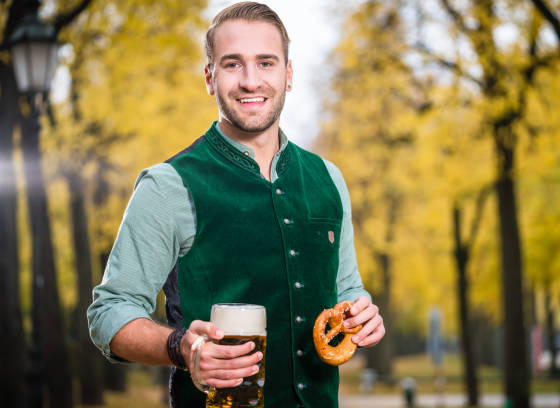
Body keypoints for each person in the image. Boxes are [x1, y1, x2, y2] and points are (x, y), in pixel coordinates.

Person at [87, 2, 385, 407]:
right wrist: (180, 347)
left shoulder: (329, 179)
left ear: (288, 74)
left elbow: (347, 291)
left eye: (266, 63)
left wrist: (362, 315)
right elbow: (109, 312)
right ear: (210, 78)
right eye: (232, 64)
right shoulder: (167, 185)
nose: (250, 81)